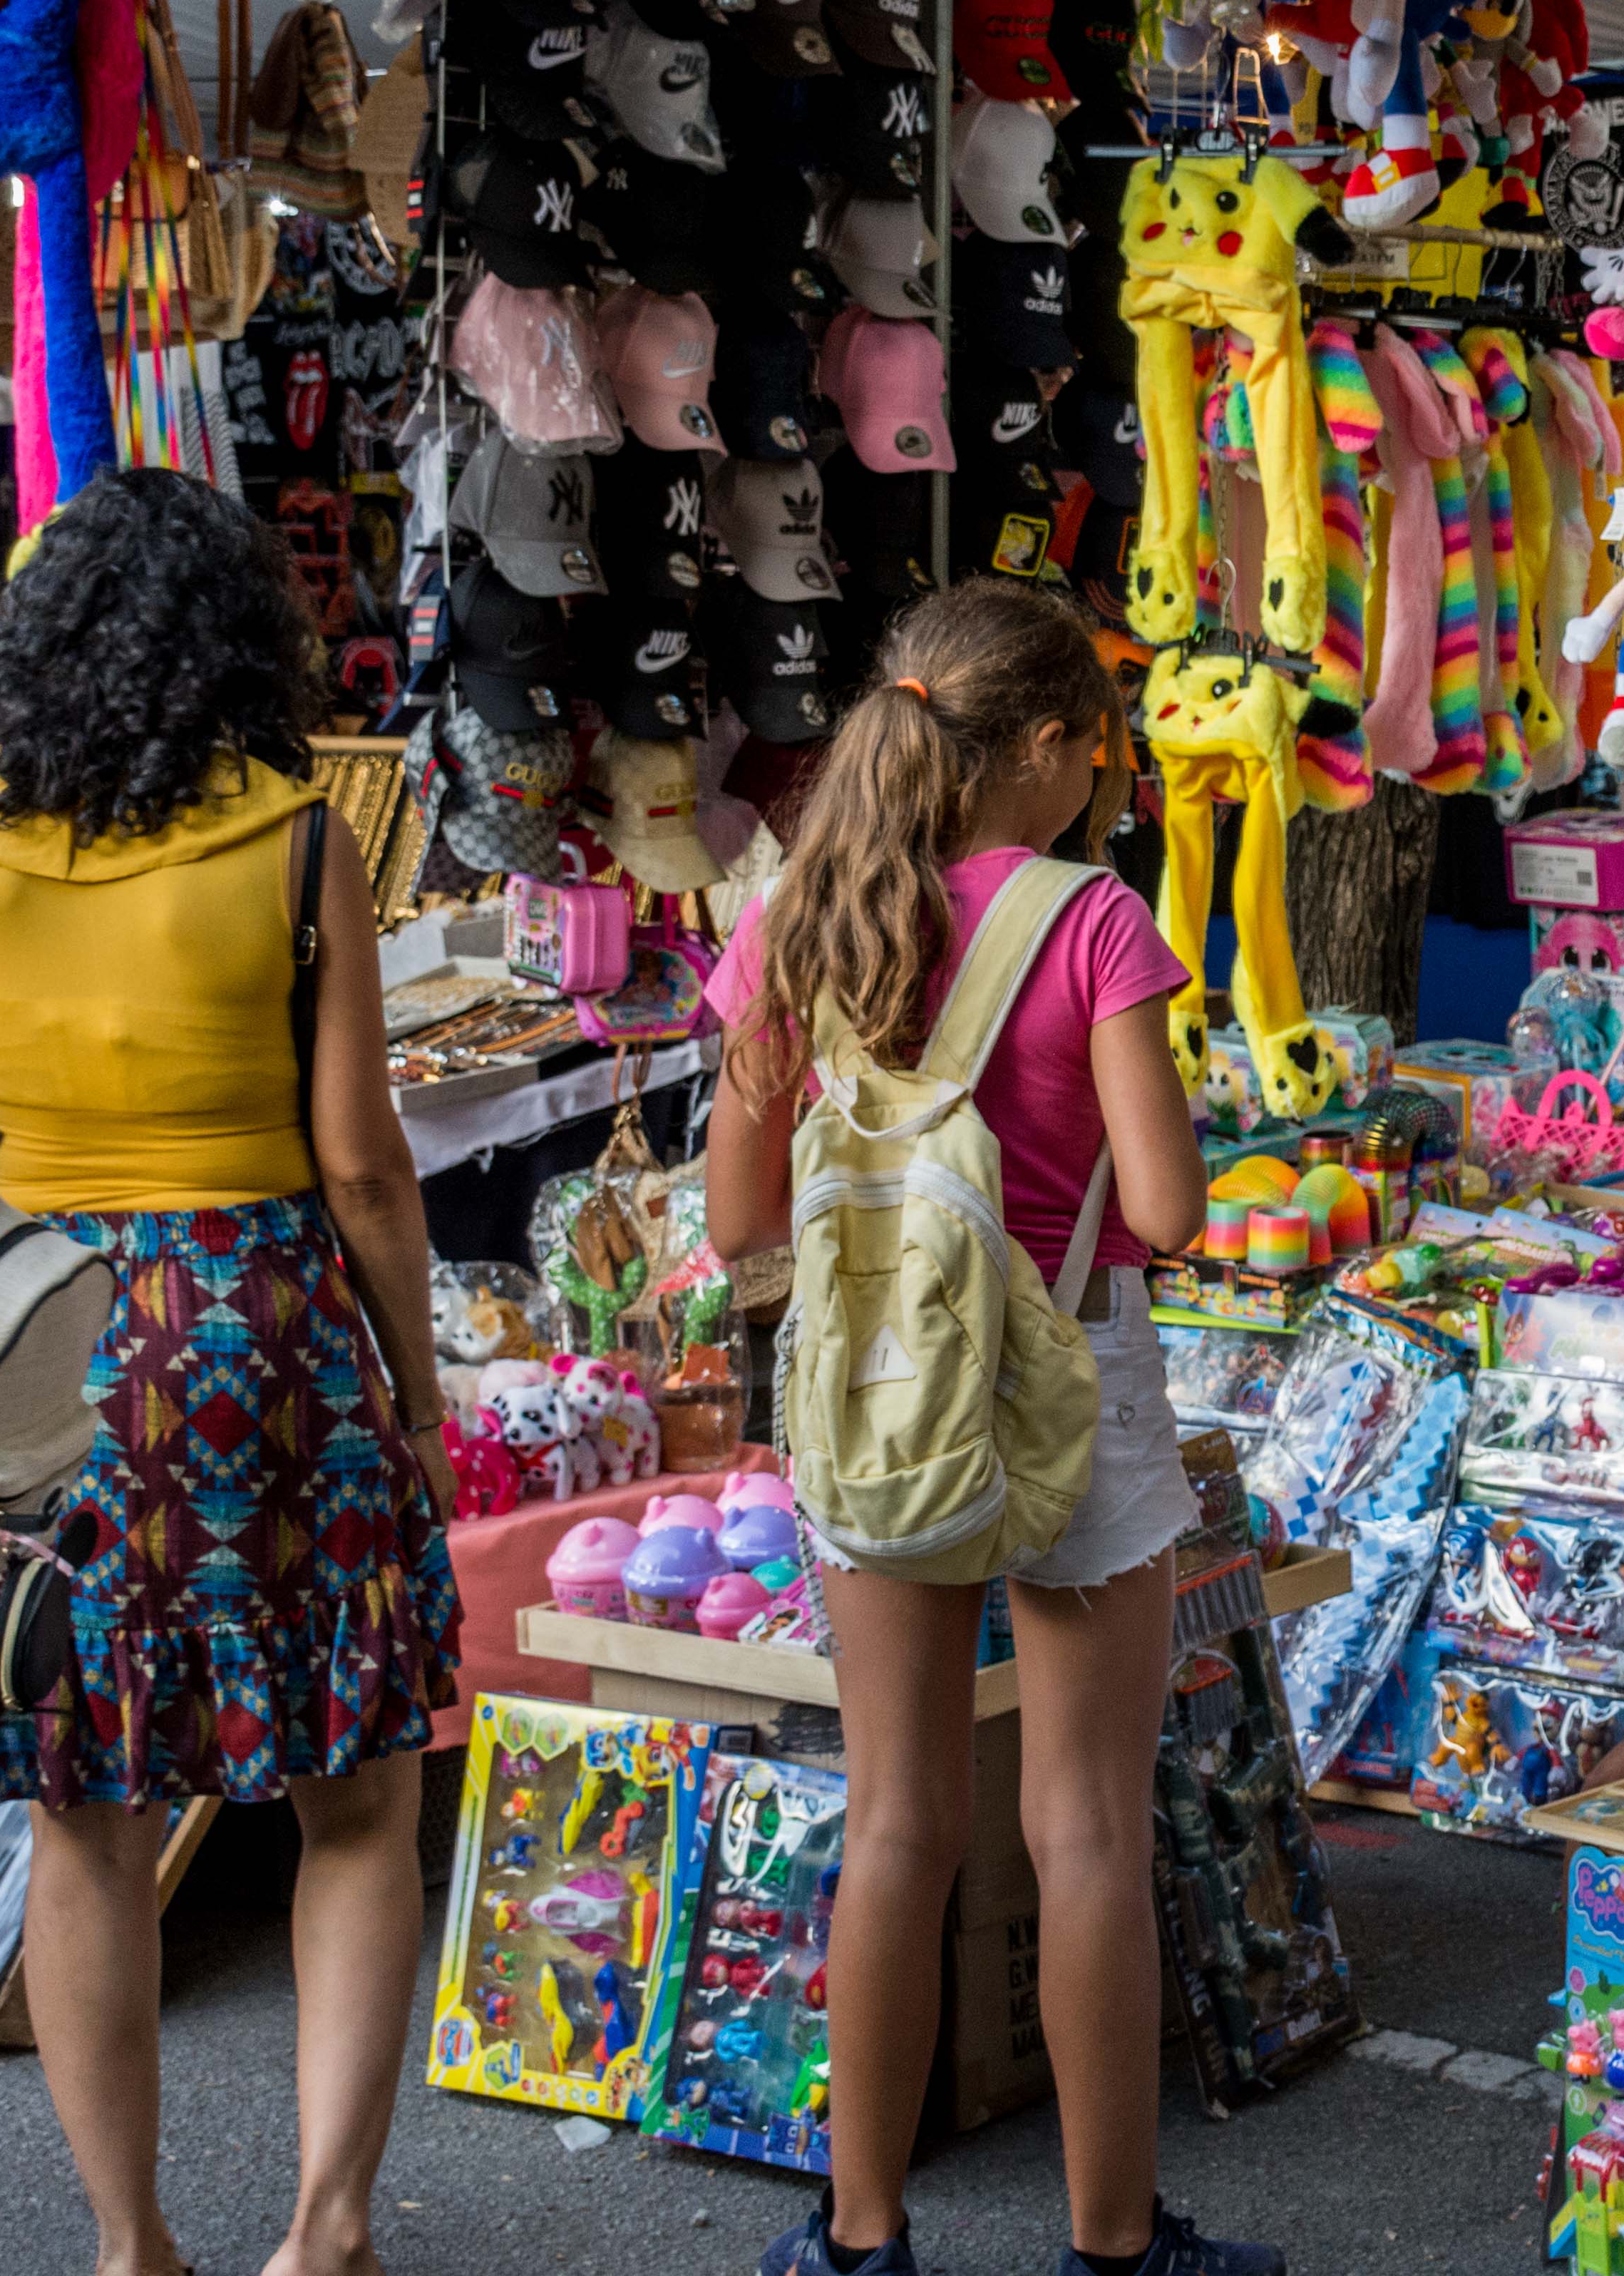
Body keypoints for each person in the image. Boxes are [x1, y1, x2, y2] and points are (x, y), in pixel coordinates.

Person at [0, 469, 457, 2276]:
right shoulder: (292, 838)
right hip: (255, 1325)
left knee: (84, 1804)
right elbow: (362, 1165)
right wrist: (416, 1399)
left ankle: (130, 2245)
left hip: (26, 1323)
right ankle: (325, 2229)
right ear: (236, 641)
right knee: (354, 1793)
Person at [699, 583, 1258, 2276]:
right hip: (1076, 1384)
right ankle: (1110, 2243)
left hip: (876, 1393)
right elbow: (1162, 1207)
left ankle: (860, 2237)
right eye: (1102, 756)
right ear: (1047, 750)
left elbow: (738, 1222)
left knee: (895, 1817)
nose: (1107, 787)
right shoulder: (1094, 922)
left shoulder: (798, 914)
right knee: (1083, 1815)